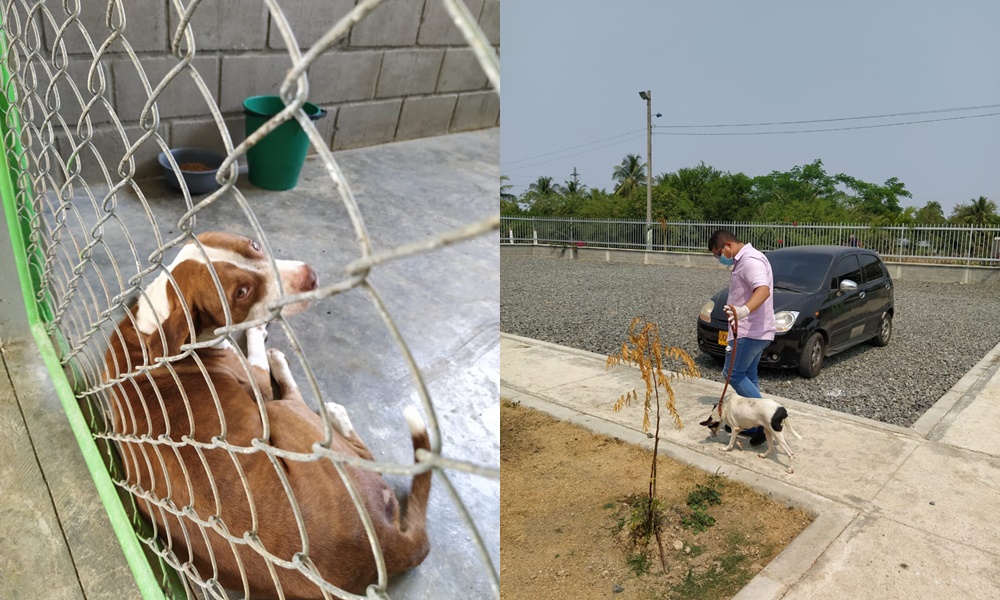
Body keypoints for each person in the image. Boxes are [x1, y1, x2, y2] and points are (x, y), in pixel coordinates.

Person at [708, 229, 776, 445]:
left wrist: (743, 311)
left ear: (728, 245)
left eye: (719, 254)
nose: (720, 260)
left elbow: (762, 290)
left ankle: (767, 421)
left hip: (749, 332)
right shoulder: (746, 259)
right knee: (749, 374)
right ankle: (757, 426)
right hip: (755, 331)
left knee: (733, 374)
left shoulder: (750, 260)